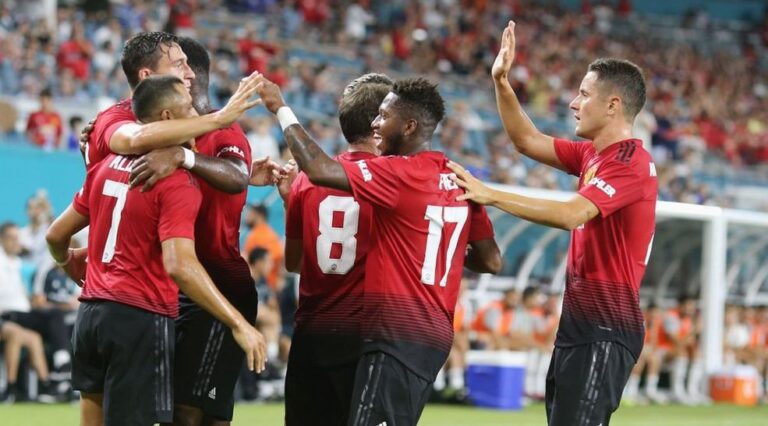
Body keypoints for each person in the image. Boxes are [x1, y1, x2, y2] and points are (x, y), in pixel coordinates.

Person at [255, 75, 502, 425]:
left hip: (330, 329)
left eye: (384, 117)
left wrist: (280, 109)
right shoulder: (456, 177)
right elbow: (491, 259)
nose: (378, 123)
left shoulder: (354, 178)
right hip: (396, 333)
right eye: (378, 115)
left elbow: (296, 261)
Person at [448, 21, 657, 426]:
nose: (573, 103)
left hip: (606, 326)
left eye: (584, 94)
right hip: (580, 324)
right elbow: (527, 141)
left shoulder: (631, 163)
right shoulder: (593, 156)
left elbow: (570, 214)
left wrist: (490, 194)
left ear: (613, 105)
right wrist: (501, 81)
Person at [45, 75, 266, 426]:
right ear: (167, 117)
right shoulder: (174, 181)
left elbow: (56, 235)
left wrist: (69, 263)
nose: (195, 113)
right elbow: (179, 265)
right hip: (139, 318)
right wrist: (238, 323)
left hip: (90, 317)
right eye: (188, 107)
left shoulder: (104, 166)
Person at [125, 36, 279, 426]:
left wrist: (185, 157)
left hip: (218, 285)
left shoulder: (224, 133)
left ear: (189, 77)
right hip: (179, 286)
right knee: (194, 411)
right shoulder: (164, 132)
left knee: (190, 411)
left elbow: (236, 176)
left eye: (178, 66)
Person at [280, 73, 393, 426]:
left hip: (312, 333)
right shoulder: (395, 180)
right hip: (366, 335)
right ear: (381, 124)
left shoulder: (305, 181)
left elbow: (295, 262)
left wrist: (289, 202)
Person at [81, 31, 263, 170]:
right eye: (178, 64)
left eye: (187, 63)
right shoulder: (113, 118)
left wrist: (246, 174)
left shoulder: (182, 118)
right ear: (147, 76)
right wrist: (219, 119)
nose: (190, 73)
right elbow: (137, 139)